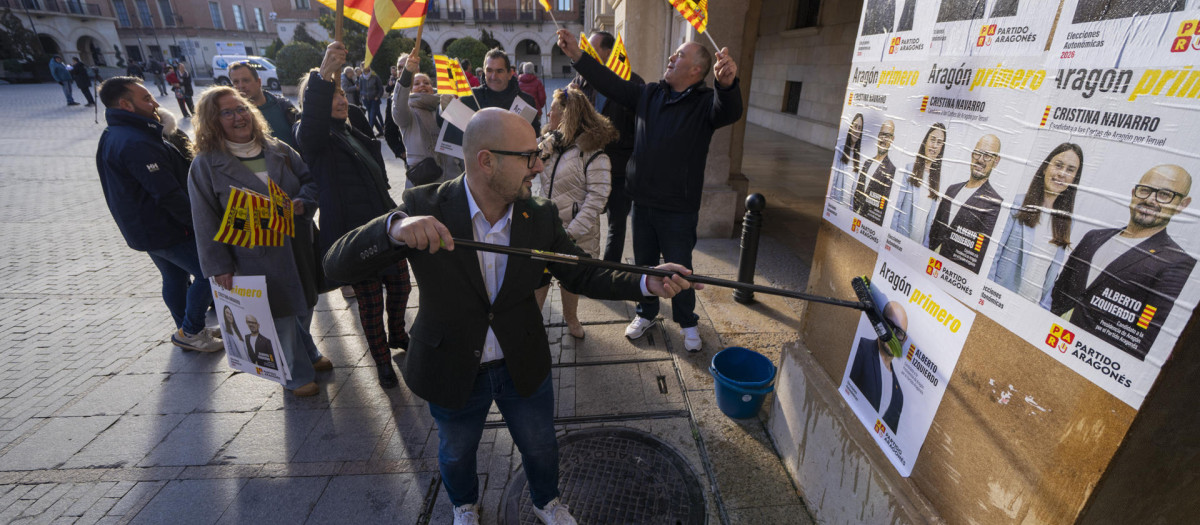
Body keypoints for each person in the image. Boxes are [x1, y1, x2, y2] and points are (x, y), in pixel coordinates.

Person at [322, 106, 697, 525]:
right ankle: (464, 505)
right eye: (528, 156)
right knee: (457, 450)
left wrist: (647, 281)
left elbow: (582, 272)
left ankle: (546, 501)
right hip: (451, 363)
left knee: (540, 446)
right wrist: (393, 229)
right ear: (487, 161)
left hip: (522, 358)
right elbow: (335, 265)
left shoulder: (538, 215)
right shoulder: (423, 204)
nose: (538, 165)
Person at [557, 29, 741, 353]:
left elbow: (729, 110)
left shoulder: (704, 104)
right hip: (640, 202)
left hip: (678, 209)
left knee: (679, 268)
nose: (671, 58)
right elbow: (610, 82)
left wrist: (727, 85)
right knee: (643, 265)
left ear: (697, 70)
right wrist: (578, 57)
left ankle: (687, 322)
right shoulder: (649, 94)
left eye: (680, 55)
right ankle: (646, 313)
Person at [188, 86, 330, 396]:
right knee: (278, 316)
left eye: (241, 109)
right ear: (213, 121)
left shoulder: (277, 148)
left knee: (305, 305)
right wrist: (219, 267)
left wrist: (303, 203)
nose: (239, 117)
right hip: (253, 256)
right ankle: (295, 376)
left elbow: (310, 181)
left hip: (297, 245)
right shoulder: (205, 165)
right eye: (227, 112)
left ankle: (308, 351)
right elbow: (204, 221)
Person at [298, 43, 413, 388]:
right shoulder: (312, 136)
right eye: (332, 95)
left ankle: (398, 334)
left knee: (401, 286)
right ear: (315, 102)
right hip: (352, 237)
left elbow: (376, 178)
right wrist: (323, 74)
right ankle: (381, 361)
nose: (341, 99)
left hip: (383, 227)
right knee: (369, 303)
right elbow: (313, 124)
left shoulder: (353, 130)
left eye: (342, 93)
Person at [95, 77, 222, 352]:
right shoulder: (135, 141)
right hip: (165, 229)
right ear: (125, 104)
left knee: (174, 278)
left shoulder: (116, 133)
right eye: (146, 99)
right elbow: (167, 194)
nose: (154, 103)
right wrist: (202, 225)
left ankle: (190, 328)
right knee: (211, 272)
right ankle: (190, 331)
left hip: (147, 229)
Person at [1051, 165, 1196, 360]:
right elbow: (1061, 287)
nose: (1150, 200)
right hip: (1051, 337)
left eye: (1164, 194)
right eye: (1145, 190)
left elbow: (1147, 331)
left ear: (1182, 204)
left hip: (1093, 361)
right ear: (1133, 193)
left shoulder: (1177, 262)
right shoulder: (1094, 237)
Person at [533, 86, 617, 339]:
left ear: (567, 115)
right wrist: (547, 143)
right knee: (538, 278)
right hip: (546, 230)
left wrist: (570, 234)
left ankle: (571, 319)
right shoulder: (551, 145)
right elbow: (528, 166)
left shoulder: (595, 155)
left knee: (570, 282)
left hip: (574, 234)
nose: (548, 114)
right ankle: (533, 326)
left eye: (554, 110)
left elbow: (597, 200)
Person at [570, 32, 645, 264]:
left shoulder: (633, 82)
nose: (587, 53)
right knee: (584, 217)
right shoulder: (581, 81)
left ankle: (609, 270)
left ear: (608, 51)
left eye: (592, 49)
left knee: (617, 222)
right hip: (586, 164)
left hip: (619, 168)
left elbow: (639, 127)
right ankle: (583, 264)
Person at [987, 143, 1083, 308]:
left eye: (1070, 170)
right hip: (999, 299)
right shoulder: (1016, 204)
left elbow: (1051, 274)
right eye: (1058, 165)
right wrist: (990, 296)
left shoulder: (1067, 221)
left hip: (1031, 308)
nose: (1062, 174)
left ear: (1074, 178)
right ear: (1045, 168)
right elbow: (992, 256)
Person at [927, 134, 1004, 274]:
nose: (980, 160)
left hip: (954, 276)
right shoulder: (952, 190)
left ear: (996, 161)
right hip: (928, 265)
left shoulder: (994, 204)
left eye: (987, 156)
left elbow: (979, 254)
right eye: (977, 153)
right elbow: (935, 230)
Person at [391, 52, 451, 187]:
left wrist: (451, 108)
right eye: (417, 83)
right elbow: (399, 106)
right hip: (422, 180)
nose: (422, 85)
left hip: (449, 178)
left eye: (426, 82)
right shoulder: (407, 110)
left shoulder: (442, 106)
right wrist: (406, 74)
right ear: (410, 90)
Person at [848, 301, 907, 433]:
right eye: (889, 325)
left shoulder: (899, 396)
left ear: (905, 339)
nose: (893, 335)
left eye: (899, 332)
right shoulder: (861, 348)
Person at [459, 49, 541, 132]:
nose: (494, 77)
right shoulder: (471, 98)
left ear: (509, 74)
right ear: (484, 72)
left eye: (499, 71)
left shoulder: (526, 102)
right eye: (489, 70)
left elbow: (535, 137)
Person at [890, 123, 946, 244]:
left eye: (939, 142)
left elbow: (929, 220)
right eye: (932, 140)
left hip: (918, 245)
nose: (935, 146)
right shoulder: (909, 169)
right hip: (901, 240)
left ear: (942, 148)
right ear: (926, 141)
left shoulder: (937, 179)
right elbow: (896, 208)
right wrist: (894, 239)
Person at [230, 60, 301, 150]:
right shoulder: (235, 118)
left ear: (259, 82)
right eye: (235, 82)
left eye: (246, 80)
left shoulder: (283, 106)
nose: (241, 86)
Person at [852, 120, 897, 226]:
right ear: (878, 136)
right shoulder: (867, 163)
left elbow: (883, 205)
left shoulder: (891, 170)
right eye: (882, 134)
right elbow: (858, 192)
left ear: (892, 139)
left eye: (888, 136)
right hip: (854, 217)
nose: (884, 139)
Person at [358, 66, 385, 136]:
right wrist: (362, 95)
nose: (364, 67)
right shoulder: (361, 77)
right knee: (371, 116)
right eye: (363, 66)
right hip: (366, 100)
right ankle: (381, 131)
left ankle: (369, 133)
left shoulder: (375, 76)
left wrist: (378, 96)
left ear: (369, 67)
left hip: (374, 100)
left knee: (372, 116)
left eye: (366, 65)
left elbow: (381, 89)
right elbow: (360, 89)